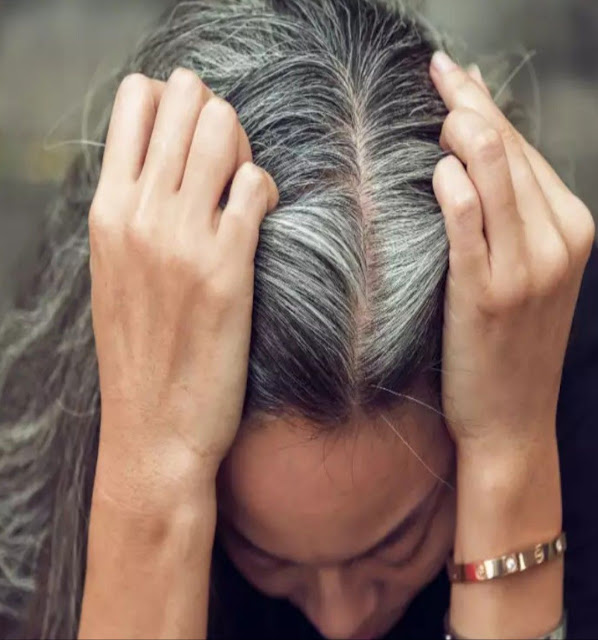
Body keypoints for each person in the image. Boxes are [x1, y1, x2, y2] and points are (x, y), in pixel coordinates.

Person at [0, 0, 597, 638]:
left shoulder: (571, 400)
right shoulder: (47, 510)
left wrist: (510, 462)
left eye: (397, 544)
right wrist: (152, 477)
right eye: (263, 554)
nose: (341, 623)